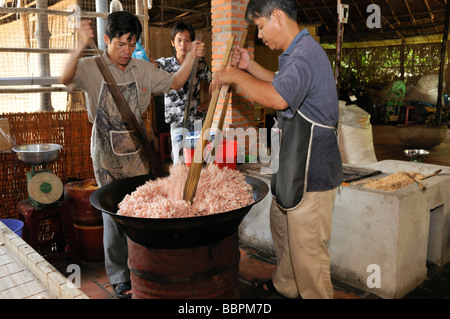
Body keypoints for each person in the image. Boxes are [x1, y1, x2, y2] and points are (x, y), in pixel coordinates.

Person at [59, 11, 205, 299]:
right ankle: (119, 276)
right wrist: (78, 44)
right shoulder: (92, 66)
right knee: (114, 215)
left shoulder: (141, 69)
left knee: (141, 209)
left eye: (131, 43)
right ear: (106, 40)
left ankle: (144, 266)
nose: (126, 51)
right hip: (106, 157)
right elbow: (65, 78)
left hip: (137, 151)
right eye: (120, 44)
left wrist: (191, 58)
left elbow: (175, 82)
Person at [212, 0, 343, 299]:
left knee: (309, 256)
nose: (259, 35)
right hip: (292, 167)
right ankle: (287, 287)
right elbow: (284, 84)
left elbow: (278, 99)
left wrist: (234, 76)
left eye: (260, 26)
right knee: (283, 232)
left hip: (310, 174)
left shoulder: (304, 55)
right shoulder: (296, 52)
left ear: (278, 17)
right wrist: (250, 67)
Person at [155, 22, 212, 165]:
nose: (183, 44)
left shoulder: (199, 63)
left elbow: (213, 80)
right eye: (179, 40)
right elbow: (151, 65)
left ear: (192, 43)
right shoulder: (166, 64)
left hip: (197, 118)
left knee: (199, 160)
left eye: (187, 40)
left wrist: (208, 102)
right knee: (179, 160)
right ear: (172, 43)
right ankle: (180, 185)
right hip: (177, 120)